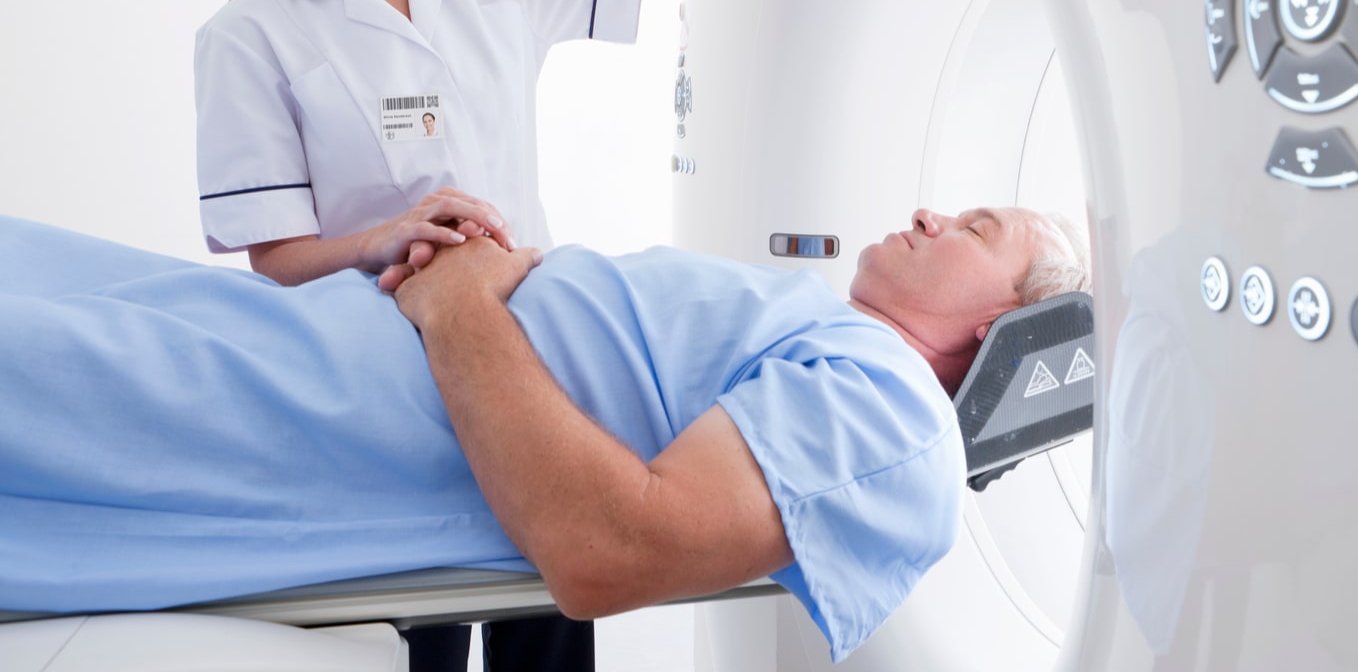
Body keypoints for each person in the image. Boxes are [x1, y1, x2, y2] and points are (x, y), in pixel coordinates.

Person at [194, 0, 784, 667]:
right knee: (413, 645)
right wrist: (388, 235)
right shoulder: (249, 37)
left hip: (540, 375)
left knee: (547, 633)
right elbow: (277, 261)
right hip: (382, 392)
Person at [0, 206, 1088, 662]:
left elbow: (609, 549)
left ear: (1004, 325)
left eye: (974, 227)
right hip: (321, 338)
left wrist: (463, 303)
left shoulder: (895, 419)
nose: (933, 213)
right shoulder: (834, 335)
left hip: (319, 404)